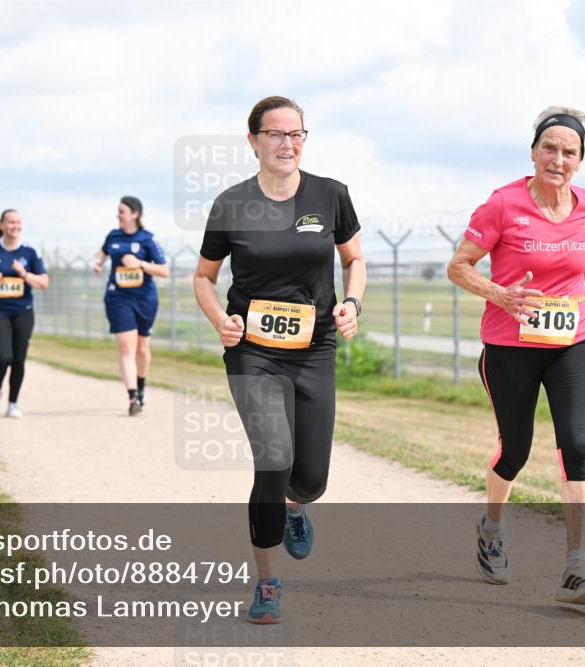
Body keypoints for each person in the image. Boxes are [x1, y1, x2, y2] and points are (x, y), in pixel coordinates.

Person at [193, 96, 365, 624]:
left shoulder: (331, 195)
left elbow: (354, 259)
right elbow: (203, 277)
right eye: (275, 134)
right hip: (252, 353)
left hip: (314, 348)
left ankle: (297, 507)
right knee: (272, 461)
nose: (287, 143)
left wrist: (352, 302)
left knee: (310, 479)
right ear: (253, 141)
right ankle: (267, 582)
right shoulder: (230, 204)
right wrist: (219, 320)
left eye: (297, 134)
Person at [447, 106, 585, 606]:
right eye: (550, 148)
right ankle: (493, 528)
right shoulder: (503, 204)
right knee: (515, 449)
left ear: (580, 160)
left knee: (577, 446)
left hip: (572, 342)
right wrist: (499, 294)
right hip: (509, 346)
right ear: (533, 152)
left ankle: (577, 568)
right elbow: (457, 267)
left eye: (569, 152)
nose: (558, 159)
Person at [93, 196, 169, 415]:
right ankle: (133, 397)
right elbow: (103, 251)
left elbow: (164, 270)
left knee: (142, 349)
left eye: (122, 211)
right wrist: (97, 263)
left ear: (135, 214)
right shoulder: (113, 236)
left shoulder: (147, 239)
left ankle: (141, 386)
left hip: (145, 298)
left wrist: (141, 264)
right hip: (118, 298)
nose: (118, 215)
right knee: (127, 347)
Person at [0, 209, 49, 418]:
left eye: (18, 222)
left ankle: (13, 403)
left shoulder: (29, 250)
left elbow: (44, 282)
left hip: (23, 310)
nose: (15, 226)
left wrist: (24, 274)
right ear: (2, 225)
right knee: (2, 356)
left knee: (18, 359)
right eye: (11, 223)